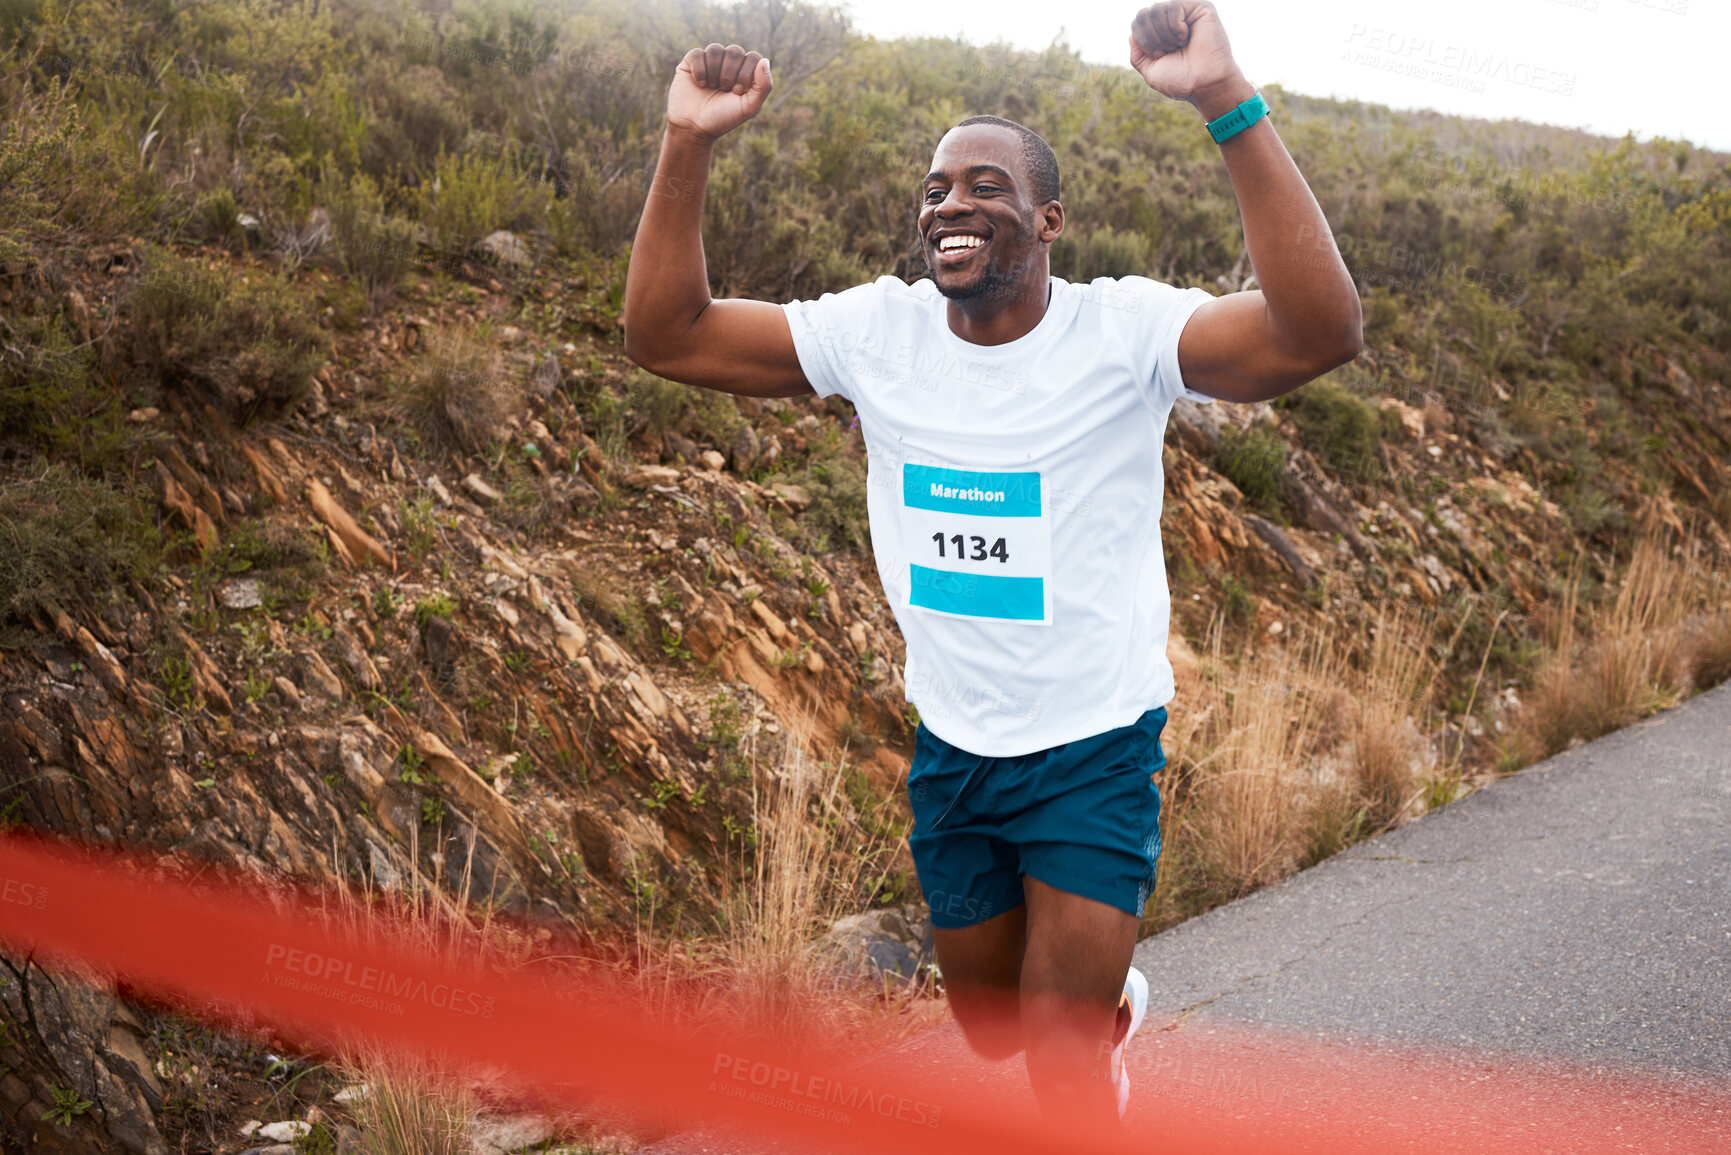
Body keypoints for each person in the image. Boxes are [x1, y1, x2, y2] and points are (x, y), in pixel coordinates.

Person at [622, 1, 1361, 1124]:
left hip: (1094, 746)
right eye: (934, 190)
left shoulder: (1122, 335)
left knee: (1058, 1063)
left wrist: (1224, 99)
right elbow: (667, 335)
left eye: (983, 187)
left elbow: (1318, 333)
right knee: (988, 1028)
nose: (950, 205)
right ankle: (1109, 1006)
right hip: (955, 744)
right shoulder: (880, 335)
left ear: (1047, 218)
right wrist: (688, 142)